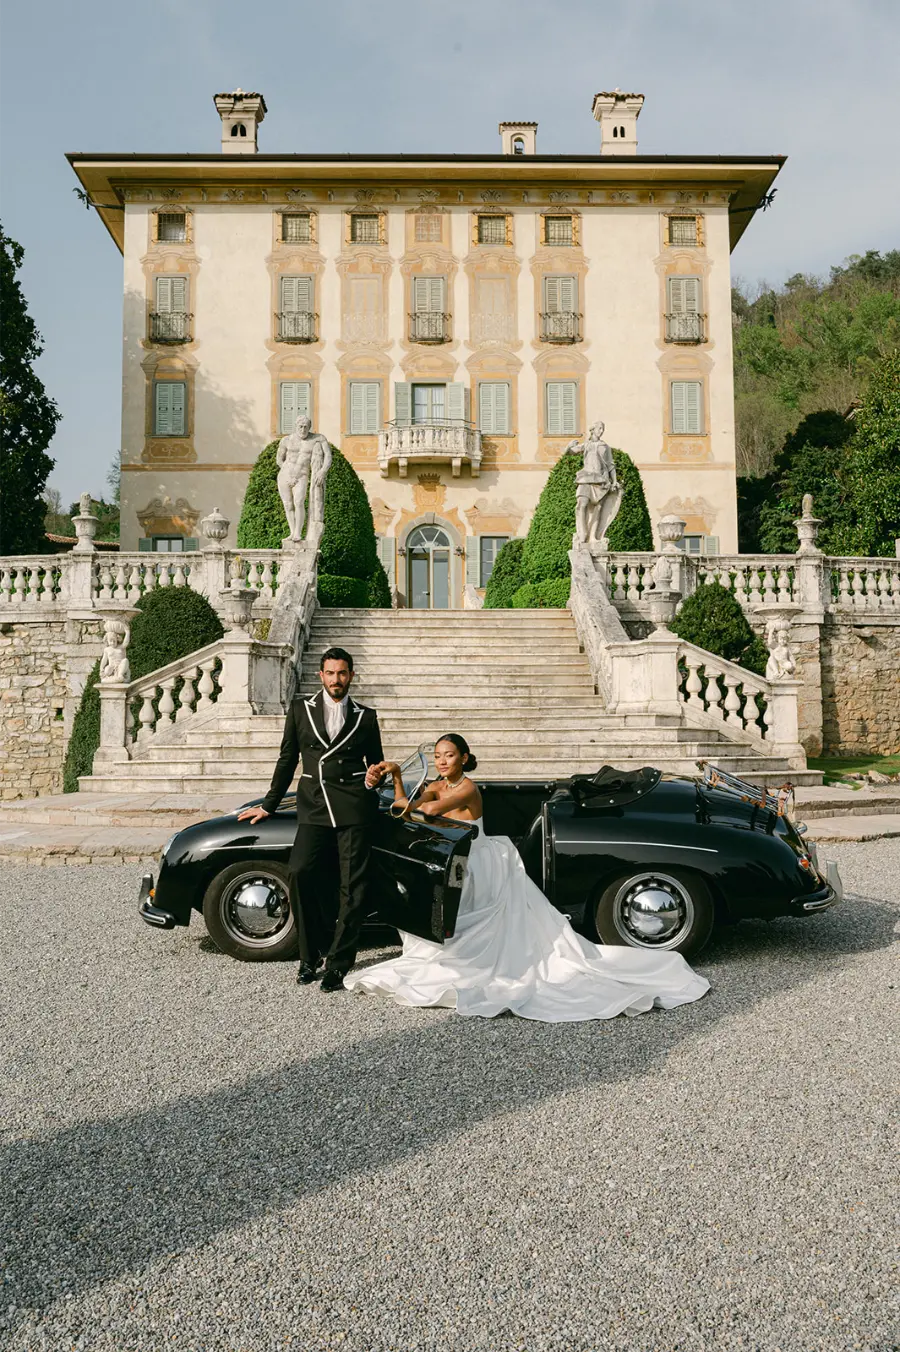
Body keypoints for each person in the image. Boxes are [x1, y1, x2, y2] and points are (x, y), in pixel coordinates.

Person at [345, 734, 709, 1021]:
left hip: (480, 859)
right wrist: (396, 780)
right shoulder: (438, 784)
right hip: (458, 856)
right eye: (438, 755)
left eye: (449, 755)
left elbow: (413, 810)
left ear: (465, 758)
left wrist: (395, 779)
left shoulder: (467, 788)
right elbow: (409, 808)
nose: (442, 761)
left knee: (491, 932)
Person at [237, 648, 384, 992]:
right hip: (314, 806)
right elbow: (288, 758)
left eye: (343, 673)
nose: (337, 679)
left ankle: (339, 963)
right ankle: (310, 954)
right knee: (300, 871)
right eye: (331, 673)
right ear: (321, 675)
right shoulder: (301, 710)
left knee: (353, 887)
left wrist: (372, 780)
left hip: (354, 808)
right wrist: (269, 805)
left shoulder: (366, 716)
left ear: (351, 675)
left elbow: (374, 765)